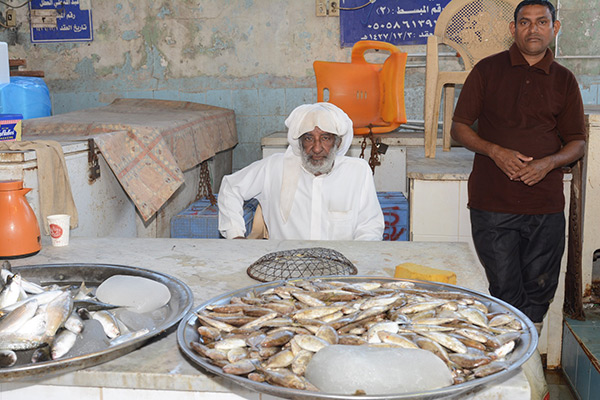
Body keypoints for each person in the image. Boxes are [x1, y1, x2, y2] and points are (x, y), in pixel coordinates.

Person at [450, 0, 586, 330]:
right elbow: (459, 128)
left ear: (554, 28)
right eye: (525, 22)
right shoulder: (487, 70)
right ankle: (510, 352)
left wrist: (549, 163)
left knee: (539, 294)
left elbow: (577, 143)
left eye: (542, 22)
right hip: (492, 203)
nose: (533, 29)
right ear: (513, 29)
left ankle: (528, 355)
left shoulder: (564, 80)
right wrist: (495, 151)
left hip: (545, 206)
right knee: (504, 291)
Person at [218, 102, 384, 241]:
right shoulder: (274, 168)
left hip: (340, 267)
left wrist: (355, 259)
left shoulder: (357, 172)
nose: (317, 148)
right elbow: (230, 188)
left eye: (325, 138)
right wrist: (235, 235)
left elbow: (370, 228)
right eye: (309, 138)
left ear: (338, 143)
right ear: (299, 143)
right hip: (284, 266)